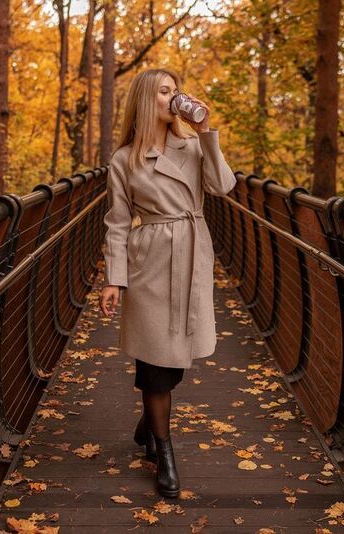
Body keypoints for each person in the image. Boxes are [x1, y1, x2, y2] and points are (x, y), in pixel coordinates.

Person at [98, 68, 236, 498]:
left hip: (192, 253)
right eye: (164, 91)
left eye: (176, 91)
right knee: (155, 363)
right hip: (150, 261)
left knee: (175, 360)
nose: (174, 98)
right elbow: (117, 223)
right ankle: (164, 451)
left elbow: (222, 187)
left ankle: (148, 423)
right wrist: (113, 280)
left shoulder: (192, 145)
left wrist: (207, 131)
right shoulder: (124, 160)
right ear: (146, 100)